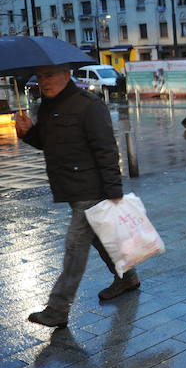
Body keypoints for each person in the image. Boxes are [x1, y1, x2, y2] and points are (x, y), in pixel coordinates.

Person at [15, 64, 139, 328]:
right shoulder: (46, 106)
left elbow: (106, 149)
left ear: (66, 75)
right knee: (99, 239)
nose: (43, 81)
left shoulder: (88, 105)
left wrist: (114, 192)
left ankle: (57, 309)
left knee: (75, 248)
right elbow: (47, 141)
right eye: (40, 76)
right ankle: (127, 277)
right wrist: (28, 133)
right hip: (70, 187)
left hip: (90, 189)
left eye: (49, 75)